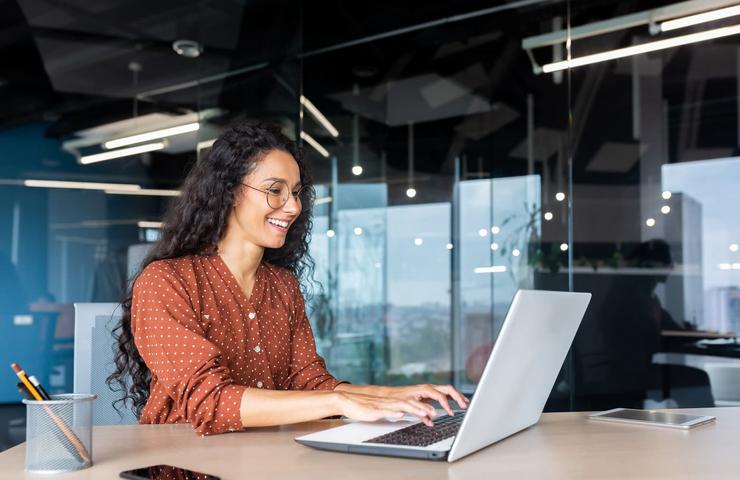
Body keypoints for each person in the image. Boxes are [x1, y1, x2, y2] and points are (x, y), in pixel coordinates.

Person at [109, 122, 468, 436]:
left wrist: (393, 396)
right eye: (275, 190)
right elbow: (210, 401)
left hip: (265, 458)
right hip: (180, 464)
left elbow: (309, 383)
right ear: (231, 191)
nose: (294, 206)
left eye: (295, 192)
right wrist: (342, 400)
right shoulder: (166, 282)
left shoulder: (282, 286)